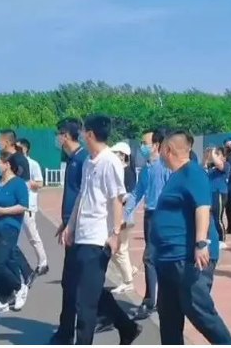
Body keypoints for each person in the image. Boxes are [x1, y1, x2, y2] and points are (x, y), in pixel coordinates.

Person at [152, 131, 231, 345]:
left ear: (168, 149)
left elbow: (202, 206)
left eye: (160, 148)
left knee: (197, 308)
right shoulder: (175, 176)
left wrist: (201, 243)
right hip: (168, 259)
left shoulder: (192, 172)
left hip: (187, 258)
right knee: (169, 315)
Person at [61, 114, 141, 345]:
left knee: (85, 302)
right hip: (82, 235)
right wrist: (70, 226)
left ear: (90, 134)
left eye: (84, 132)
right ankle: (127, 327)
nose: (81, 136)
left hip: (98, 239)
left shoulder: (110, 162)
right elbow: (82, 196)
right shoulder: (89, 161)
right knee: (84, 289)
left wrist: (115, 234)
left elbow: (117, 198)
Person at [51, 117, 91, 345]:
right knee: (72, 282)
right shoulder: (73, 159)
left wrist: (72, 225)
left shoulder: (83, 159)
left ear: (65, 135)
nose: (56, 139)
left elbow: (83, 197)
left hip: (79, 230)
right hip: (71, 226)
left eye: (58, 134)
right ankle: (65, 330)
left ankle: (67, 332)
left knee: (74, 282)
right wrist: (65, 222)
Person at [124, 129, 170, 321]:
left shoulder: (166, 166)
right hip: (150, 216)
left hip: (164, 216)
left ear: (156, 145)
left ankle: (150, 301)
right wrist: (124, 214)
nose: (142, 146)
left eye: (145, 143)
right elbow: (137, 193)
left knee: (150, 258)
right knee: (153, 258)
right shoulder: (146, 169)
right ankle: (159, 300)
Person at [0, 129, 35, 299]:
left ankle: (20, 281)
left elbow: (24, 185)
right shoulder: (3, 159)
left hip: (14, 209)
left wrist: (10, 206)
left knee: (10, 246)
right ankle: (24, 273)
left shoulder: (18, 159)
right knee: (9, 248)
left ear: (7, 141)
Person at [0, 151, 30, 313]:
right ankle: (4, 297)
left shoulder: (18, 184)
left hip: (9, 228)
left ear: (7, 165)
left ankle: (19, 287)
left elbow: (23, 206)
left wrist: (3, 211)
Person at [109, 141, 138, 295]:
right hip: (120, 214)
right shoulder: (120, 170)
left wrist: (118, 198)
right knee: (118, 249)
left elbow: (129, 195)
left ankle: (128, 281)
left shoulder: (127, 172)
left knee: (119, 249)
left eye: (116, 153)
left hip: (124, 215)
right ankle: (129, 271)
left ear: (123, 155)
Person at [18, 138, 49, 276]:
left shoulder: (33, 164)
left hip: (28, 205)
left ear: (25, 149)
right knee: (14, 237)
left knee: (32, 235)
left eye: (19, 147)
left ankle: (43, 262)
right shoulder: (15, 163)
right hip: (16, 204)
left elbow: (40, 183)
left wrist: (29, 183)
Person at [205, 147, 230, 250]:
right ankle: (210, 237)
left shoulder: (226, 165)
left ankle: (221, 239)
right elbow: (202, 166)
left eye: (218, 154)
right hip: (210, 193)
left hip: (220, 193)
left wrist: (213, 153)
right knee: (209, 217)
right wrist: (207, 156)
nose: (215, 156)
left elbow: (219, 164)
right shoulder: (212, 167)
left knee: (218, 217)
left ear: (224, 157)